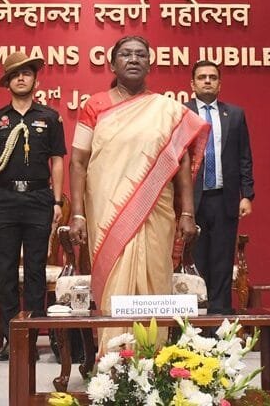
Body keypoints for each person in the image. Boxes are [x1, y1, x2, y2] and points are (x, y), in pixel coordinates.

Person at [67, 36, 206, 346]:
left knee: (155, 278)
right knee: (114, 281)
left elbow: (181, 163)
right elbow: (77, 161)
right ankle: (114, 360)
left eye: (141, 54)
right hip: (108, 213)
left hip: (156, 211)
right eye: (126, 54)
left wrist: (187, 212)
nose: (133, 59)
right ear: (112, 63)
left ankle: (155, 361)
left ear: (150, 63)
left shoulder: (168, 109)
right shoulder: (94, 106)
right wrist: (76, 213)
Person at [0, 51, 66, 361]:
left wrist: (57, 200)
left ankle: (31, 339)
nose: (21, 78)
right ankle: (7, 340)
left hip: (39, 198)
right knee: (5, 271)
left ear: (35, 80)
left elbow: (57, 161)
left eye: (26, 73)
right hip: (4, 200)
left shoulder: (49, 117)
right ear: (7, 82)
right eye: (15, 74)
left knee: (35, 271)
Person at [184, 60, 254, 315]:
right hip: (193, 199)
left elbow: (244, 156)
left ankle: (219, 317)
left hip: (225, 197)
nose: (207, 81)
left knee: (223, 259)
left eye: (212, 77)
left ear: (220, 83)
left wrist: (247, 195)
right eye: (201, 77)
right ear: (192, 84)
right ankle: (197, 319)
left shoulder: (234, 114)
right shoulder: (183, 113)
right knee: (197, 259)